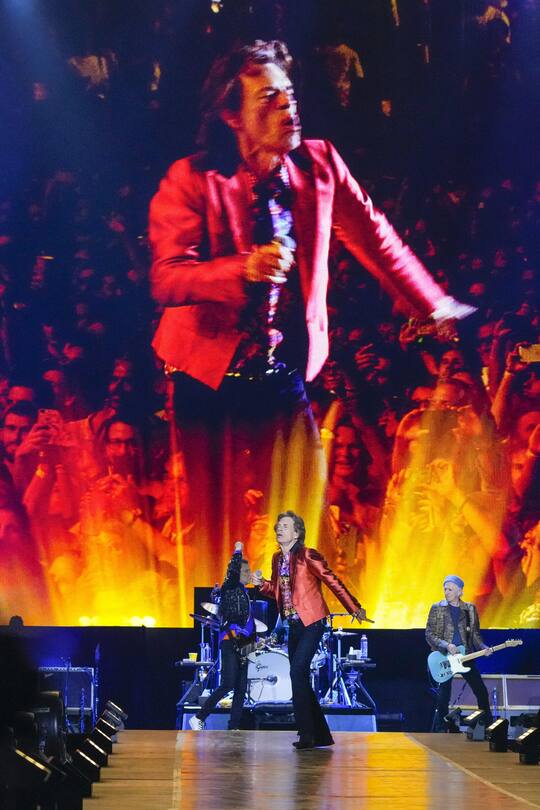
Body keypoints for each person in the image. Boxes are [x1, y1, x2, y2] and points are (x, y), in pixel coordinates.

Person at [149, 38, 474, 549]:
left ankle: (303, 620)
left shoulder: (319, 164)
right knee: (217, 526)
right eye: (269, 99)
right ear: (232, 116)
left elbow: (374, 233)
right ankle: (222, 626)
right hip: (207, 378)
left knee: (304, 507)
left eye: (289, 95)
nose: (287, 107)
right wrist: (242, 268)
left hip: (281, 371)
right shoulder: (192, 179)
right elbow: (167, 277)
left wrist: (431, 303)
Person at [253, 510, 366, 750]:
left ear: (296, 532)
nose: (278, 528)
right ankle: (321, 734)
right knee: (300, 677)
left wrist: (354, 607)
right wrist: (261, 583)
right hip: (292, 624)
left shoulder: (306, 555)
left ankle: (307, 734)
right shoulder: (276, 559)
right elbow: (276, 591)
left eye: (284, 525)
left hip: (312, 621)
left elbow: (331, 579)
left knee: (296, 672)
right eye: (278, 525)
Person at [189, 541, 256, 731]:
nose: (248, 573)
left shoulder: (244, 593)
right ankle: (198, 717)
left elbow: (248, 621)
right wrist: (238, 551)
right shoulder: (230, 586)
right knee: (228, 683)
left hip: (244, 642)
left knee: (241, 689)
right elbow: (234, 570)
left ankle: (233, 727)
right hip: (230, 640)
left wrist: (253, 643)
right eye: (245, 571)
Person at [426, 574, 493, 732]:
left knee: (481, 691)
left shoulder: (470, 609)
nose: (446, 592)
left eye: (450, 589)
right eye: (445, 588)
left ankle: (487, 726)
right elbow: (429, 634)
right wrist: (447, 645)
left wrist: (484, 647)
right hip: (444, 657)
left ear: (460, 591)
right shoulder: (437, 608)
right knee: (443, 696)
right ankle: (440, 729)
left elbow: (475, 635)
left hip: (465, 656)